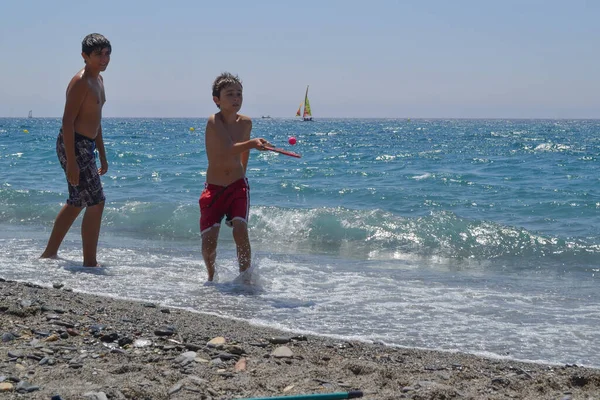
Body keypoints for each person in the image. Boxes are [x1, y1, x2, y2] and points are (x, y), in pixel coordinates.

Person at [40, 33, 111, 267]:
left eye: (107, 53)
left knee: (76, 201)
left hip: (87, 145)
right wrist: (71, 160)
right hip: (74, 144)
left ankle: (48, 254)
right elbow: (67, 121)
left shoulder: (99, 81)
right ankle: (90, 262)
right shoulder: (80, 82)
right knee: (96, 201)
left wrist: (101, 152)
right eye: (98, 55)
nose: (104, 58)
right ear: (84, 56)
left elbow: (96, 121)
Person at [200, 72, 271, 282]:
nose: (236, 98)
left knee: (241, 231)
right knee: (209, 243)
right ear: (217, 100)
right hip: (214, 188)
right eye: (230, 94)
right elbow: (229, 148)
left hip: (238, 185)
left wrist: (243, 176)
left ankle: (245, 280)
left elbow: (243, 154)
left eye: (239, 94)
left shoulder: (246, 123)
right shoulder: (214, 121)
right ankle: (211, 276)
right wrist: (254, 143)